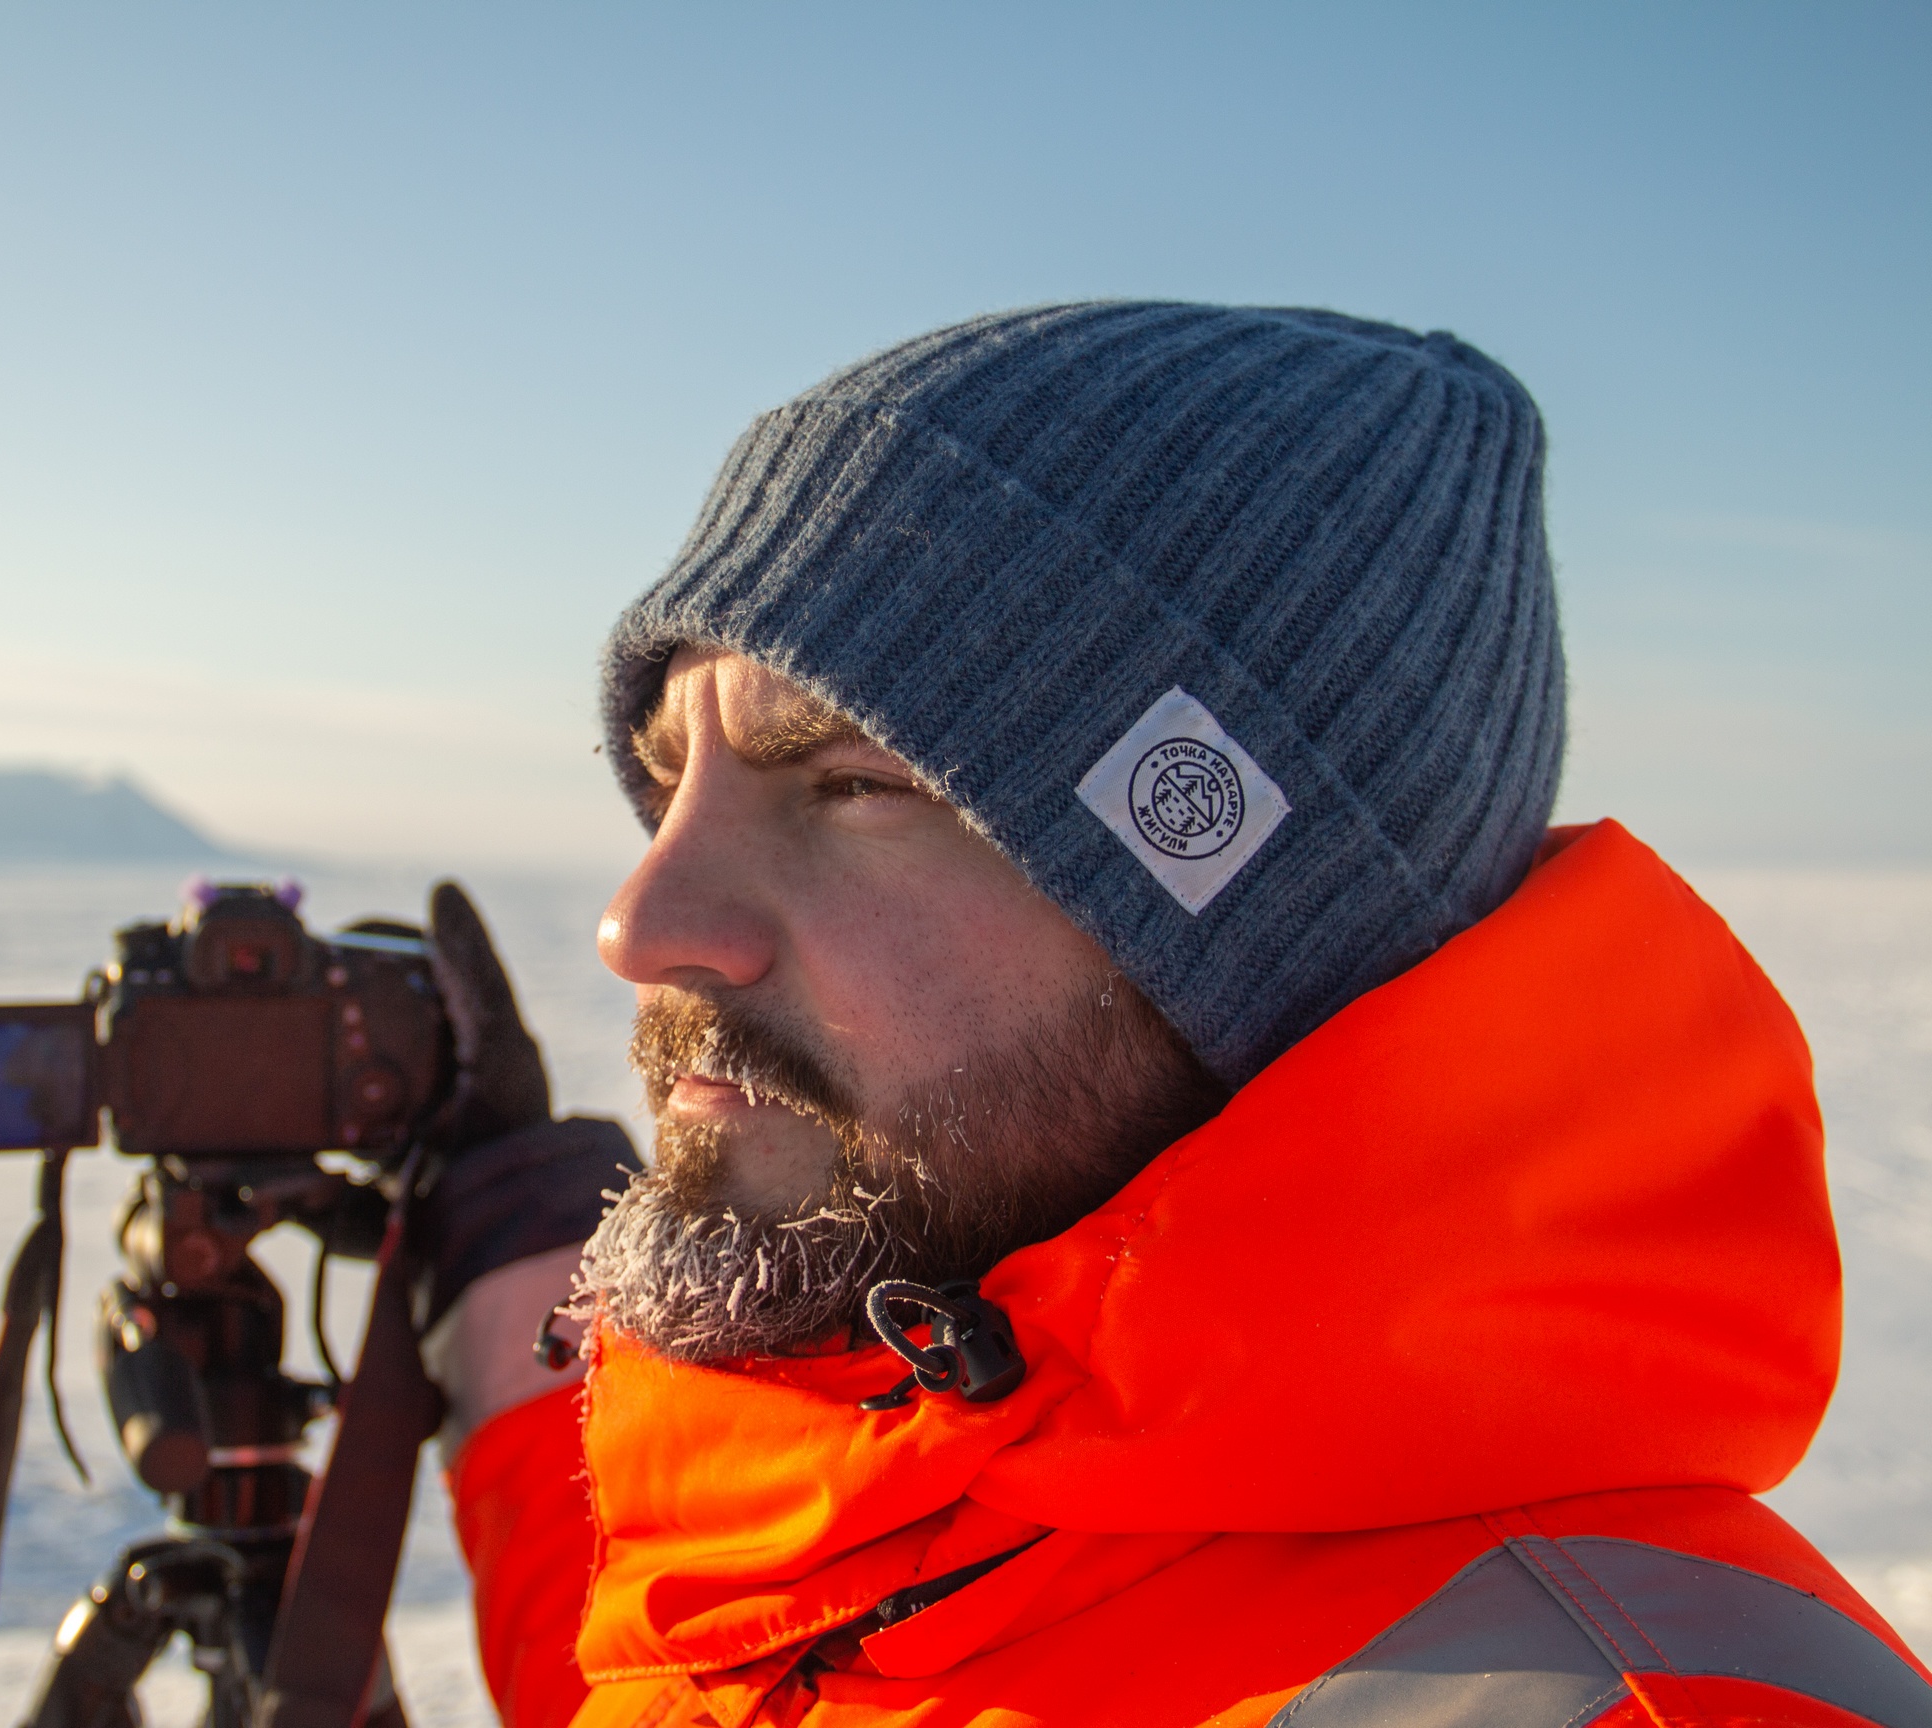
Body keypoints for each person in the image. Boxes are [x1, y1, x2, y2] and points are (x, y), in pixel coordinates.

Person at [405, 303, 1932, 1726]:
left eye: (858, 786)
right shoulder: (872, 1484)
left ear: (1252, 940)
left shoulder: (1635, 1699)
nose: (636, 926)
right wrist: (514, 1290)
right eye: (673, 783)